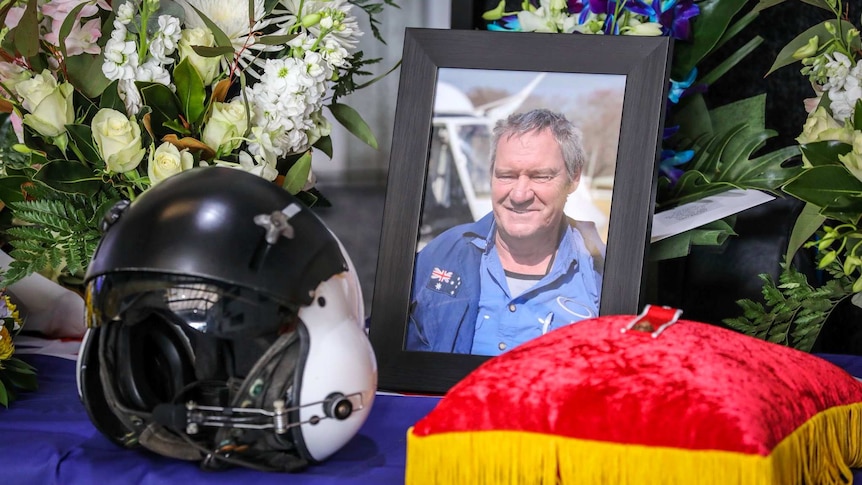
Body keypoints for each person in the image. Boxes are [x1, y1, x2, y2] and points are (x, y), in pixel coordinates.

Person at [406, 108, 605, 355]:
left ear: (573, 179)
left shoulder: (600, 275)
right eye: (506, 175)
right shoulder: (441, 255)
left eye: (540, 176)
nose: (519, 195)